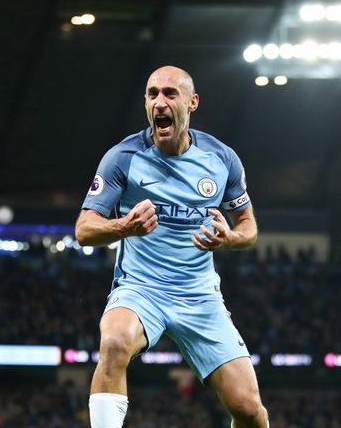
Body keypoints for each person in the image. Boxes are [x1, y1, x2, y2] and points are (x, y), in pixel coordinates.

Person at [76, 66, 268, 428]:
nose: (159, 102)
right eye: (152, 94)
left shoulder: (222, 159)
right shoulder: (123, 157)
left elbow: (249, 227)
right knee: (115, 343)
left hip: (200, 296)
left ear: (192, 103)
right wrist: (125, 226)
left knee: (247, 408)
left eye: (170, 94)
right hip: (141, 290)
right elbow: (84, 229)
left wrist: (229, 238)